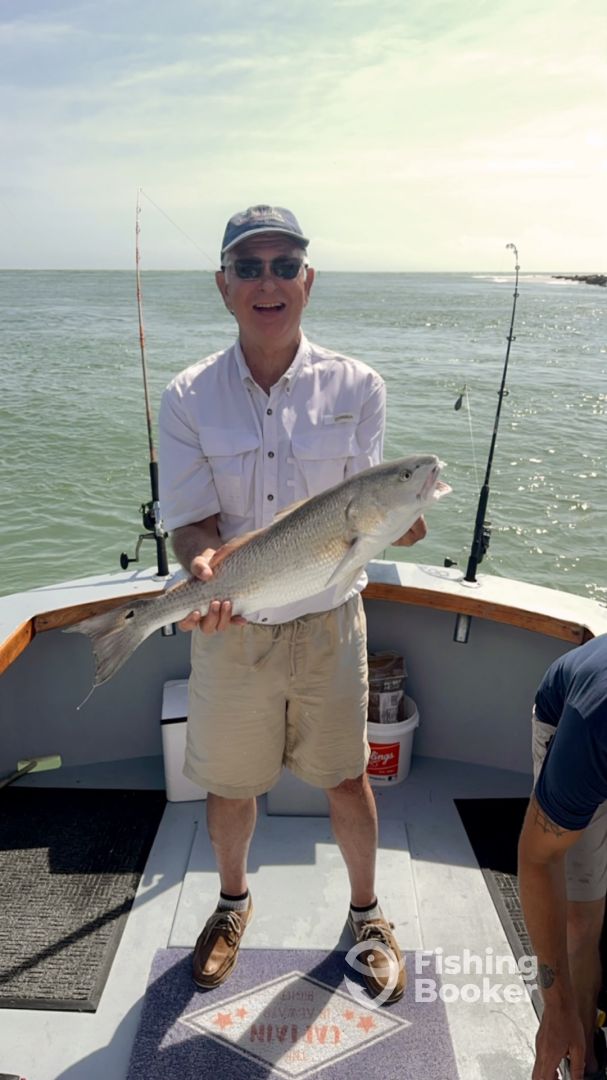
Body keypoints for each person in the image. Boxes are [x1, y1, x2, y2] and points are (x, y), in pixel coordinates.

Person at [158, 204, 426, 1005]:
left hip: (331, 626)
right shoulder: (188, 395)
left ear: (308, 280)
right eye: (249, 267)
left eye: (284, 266)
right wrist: (200, 566)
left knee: (345, 777)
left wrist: (396, 523)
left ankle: (367, 914)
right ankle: (231, 904)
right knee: (230, 785)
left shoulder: (358, 386)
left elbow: (360, 514)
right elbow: (191, 522)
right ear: (223, 285)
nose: (266, 282)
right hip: (232, 625)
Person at [518, 633, 607, 1080]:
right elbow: (540, 858)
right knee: (581, 917)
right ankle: (581, 1049)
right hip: (571, 721)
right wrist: (557, 1007)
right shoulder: (596, 724)